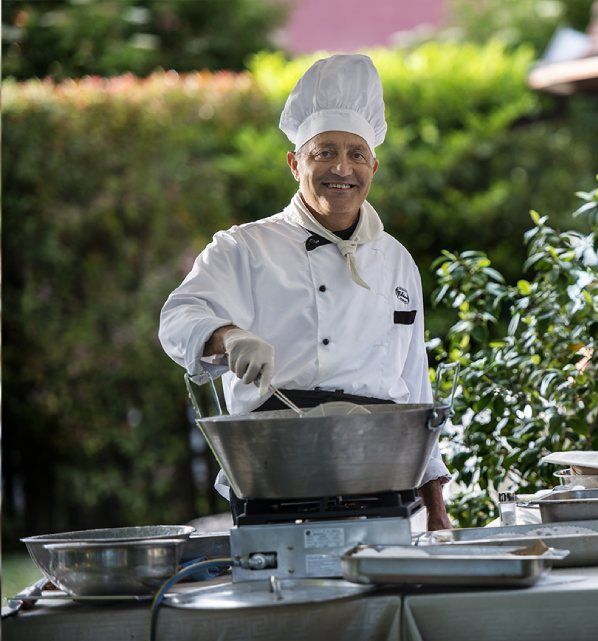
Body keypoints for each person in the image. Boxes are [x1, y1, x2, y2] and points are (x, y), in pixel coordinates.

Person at [158, 54, 452, 530]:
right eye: (324, 152)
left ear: (373, 166)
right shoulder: (244, 247)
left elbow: (415, 386)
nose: (342, 168)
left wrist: (436, 508)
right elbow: (178, 317)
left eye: (356, 154)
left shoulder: (397, 259)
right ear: (295, 163)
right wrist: (228, 336)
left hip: (378, 473)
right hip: (275, 469)